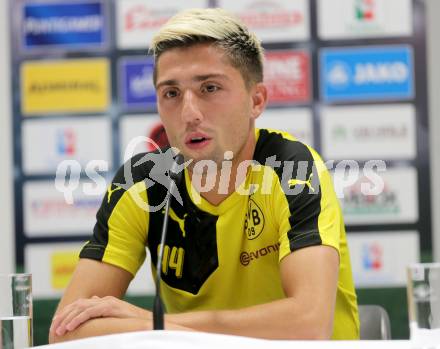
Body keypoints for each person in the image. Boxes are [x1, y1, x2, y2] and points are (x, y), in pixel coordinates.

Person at [49, 8, 359, 343]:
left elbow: (309, 324)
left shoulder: (292, 168)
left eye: (209, 88)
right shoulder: (144, 183)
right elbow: (68, 331)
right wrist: (162, 328)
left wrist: (156, 324)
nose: (189, 113)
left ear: (257, 100)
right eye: (171, 93)